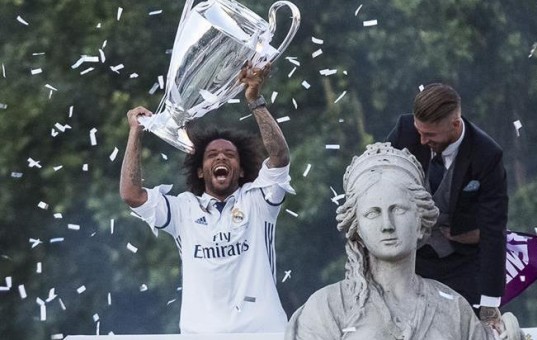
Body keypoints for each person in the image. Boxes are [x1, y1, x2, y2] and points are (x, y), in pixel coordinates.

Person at [119, 62, 294, 334]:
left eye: (229, 155)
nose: (221, 157)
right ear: (201, 171)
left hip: (263, 332)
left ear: (243, 169)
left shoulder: (258, 200)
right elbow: (132, 194)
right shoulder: (183, 210)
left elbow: (280, 158)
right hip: (201, 335)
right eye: (212, 155)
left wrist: (254, 100)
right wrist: (135, 133)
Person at [285, 143, 495, 340]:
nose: (387, 224)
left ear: (420, 220)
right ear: (356, 227)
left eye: (399, 209)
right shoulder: (328, 307)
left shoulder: (454, 308)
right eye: (372, 213)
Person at [386, 83, 509, 328]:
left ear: (455, 124)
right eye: (419, 131)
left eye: (430, 135)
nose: (422, 140)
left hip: (460, 262)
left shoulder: (487, 155)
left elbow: (494, 230)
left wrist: (490, 303)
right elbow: (376, 176)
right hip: (408, 258)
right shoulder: (404, 132)